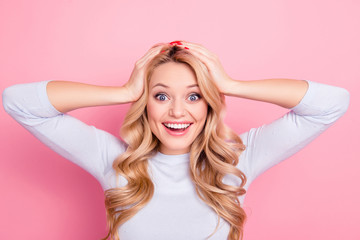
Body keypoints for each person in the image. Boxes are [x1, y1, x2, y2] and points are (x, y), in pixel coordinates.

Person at [2, 41, 350, 240]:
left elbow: (332, 104)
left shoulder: (238, 158)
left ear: (210, 104)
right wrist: (123, 91)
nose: (177, 112)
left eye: (195, 96)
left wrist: (232, 85)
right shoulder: (113, 159)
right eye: (162, 96)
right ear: (145, 103)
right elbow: (19, 102)